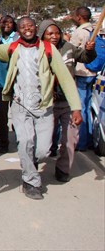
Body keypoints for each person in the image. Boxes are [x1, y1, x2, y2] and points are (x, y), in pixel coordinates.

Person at [0, 15, 82, 199]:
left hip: (44, 107)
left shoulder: (48, 49)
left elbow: (65, 78)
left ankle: (29, 163)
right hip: (20, 105)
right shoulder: (12, 48)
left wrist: (76, 108)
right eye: (23, 26)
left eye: (30, 25)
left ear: (36, 28)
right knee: (25, 142)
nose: (27, 29)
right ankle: (31, 181)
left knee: (43, 150)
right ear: (19, 30)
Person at [39, 19, 95, 182]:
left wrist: (90, 51)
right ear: (43, 35)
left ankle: (63, 169)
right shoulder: (36, 50)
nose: (54, 36)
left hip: (68, 103)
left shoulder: (69, 48)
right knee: (44, 140)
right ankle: (34, 165)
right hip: (46, 103)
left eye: (57, 33)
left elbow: (85, 57)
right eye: (50, 34)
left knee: (70, 138)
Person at [70, 6, 97, 151]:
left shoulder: (79, 32)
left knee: (79, 109)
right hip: (92, 73)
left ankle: (81, 143)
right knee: (88, 108)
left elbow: (71, 52)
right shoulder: (94, 30)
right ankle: (89, 140)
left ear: (79, 17)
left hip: (81, 73)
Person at [0, 15, 18, 153]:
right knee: (2, 118)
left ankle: (22, 141)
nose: (6, 24)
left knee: (19, 116)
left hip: (16, 85)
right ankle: (4, 142)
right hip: (1, 84)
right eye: (4, 22)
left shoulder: (17, 38)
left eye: (9, 22)